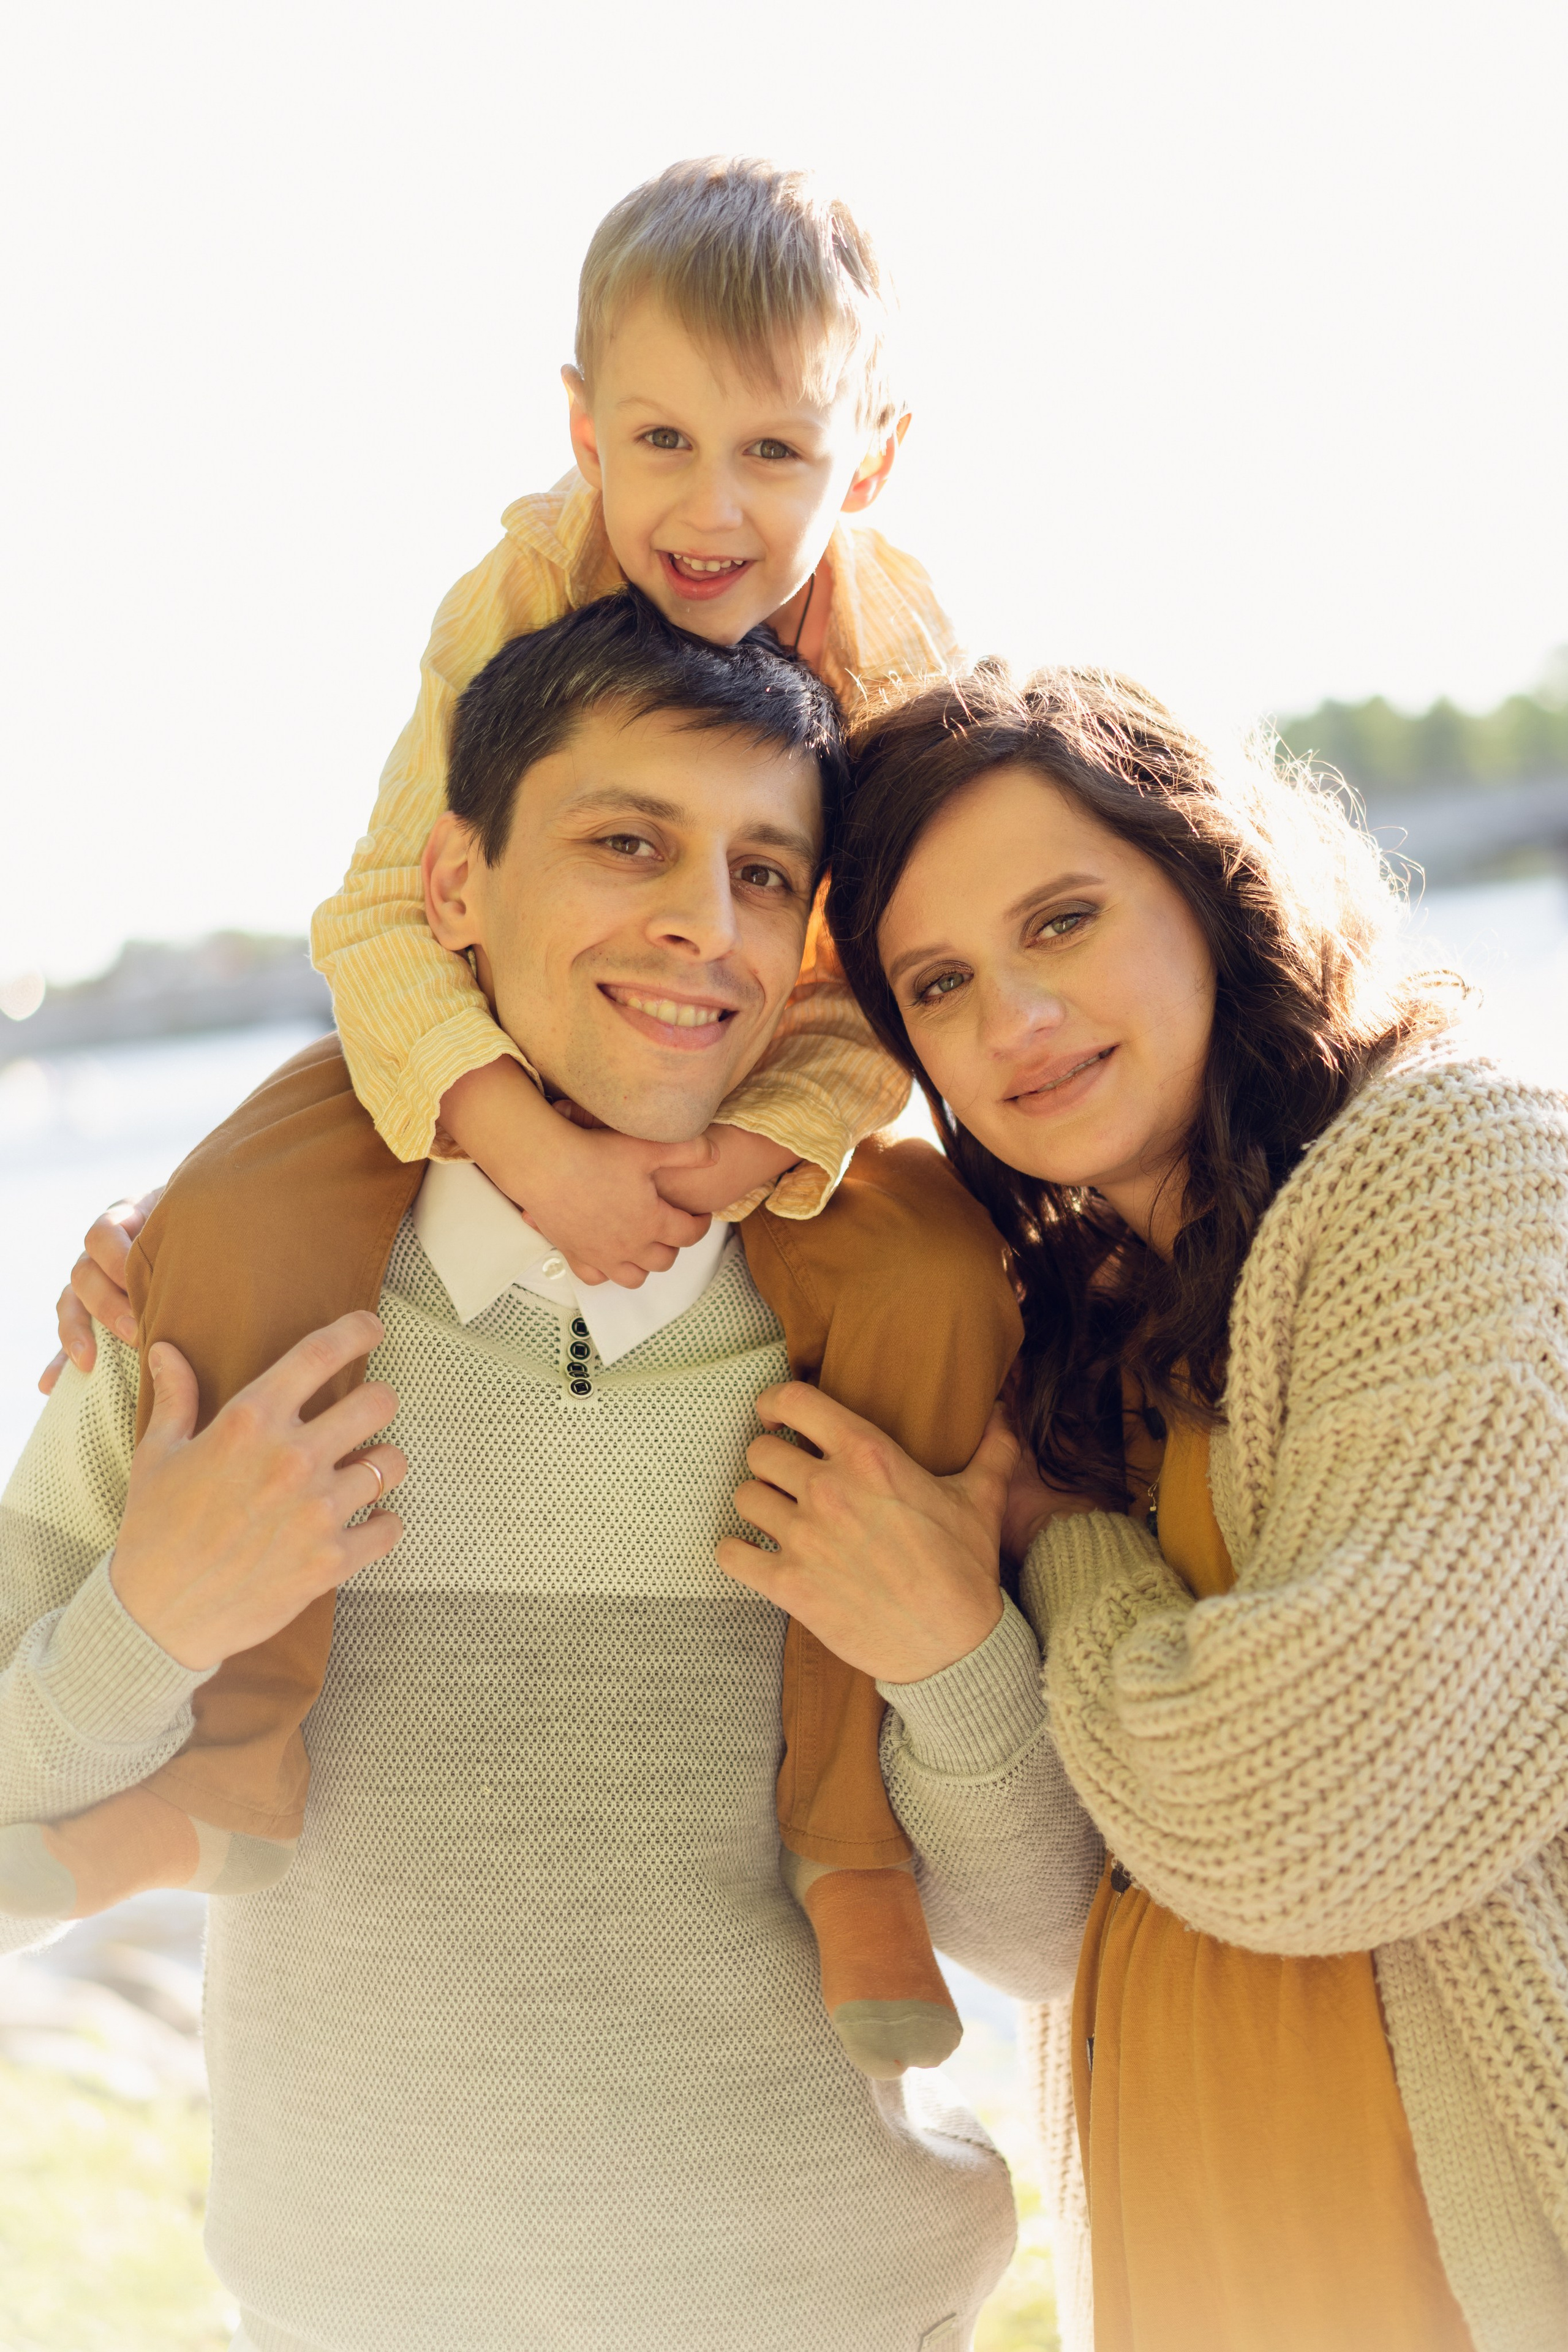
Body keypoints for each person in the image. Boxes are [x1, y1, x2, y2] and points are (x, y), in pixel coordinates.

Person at [1, 600, 1094, 2352]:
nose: (699, 925)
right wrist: (152, 1618)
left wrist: (949, 1653)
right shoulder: (215, 1312)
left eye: (763, 874)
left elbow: (1052, 1948)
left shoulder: (901, 1343)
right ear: (452, 893)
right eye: (625, 843)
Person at [715, 663, 1568, 2352]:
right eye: (942, 984)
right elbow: (1048, 1918)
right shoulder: (1096, 1313)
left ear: (1206, 879)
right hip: (1207, 2264)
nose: (1016, 1020)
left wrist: (1060, 1553)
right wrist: (958, 1647)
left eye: (1063, 920)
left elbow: (1303, 1813)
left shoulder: (1463, 1163)